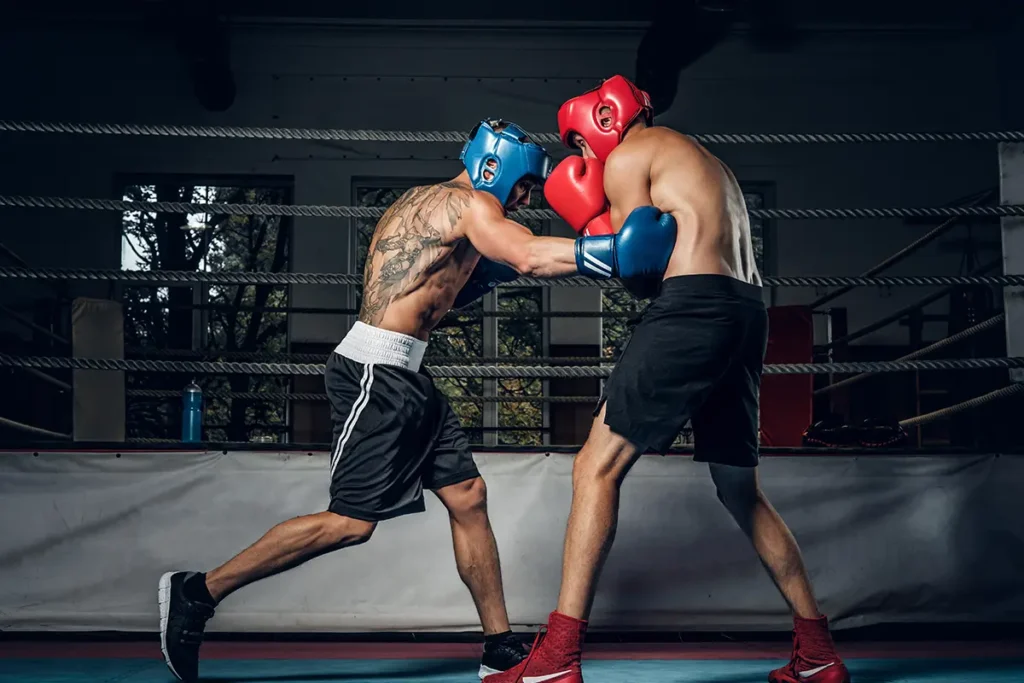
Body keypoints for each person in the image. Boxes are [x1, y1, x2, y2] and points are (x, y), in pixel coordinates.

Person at [158, 118, 678, 683]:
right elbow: (527, 256)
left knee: (468, 496)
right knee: (351, 524)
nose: (525, 199)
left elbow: (430, 291)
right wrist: (610, 252)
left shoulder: (433, 207)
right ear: (492, 167)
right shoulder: (468, 206)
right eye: (523, 186)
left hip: (409, 375)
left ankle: (498, 646)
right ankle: (198, 592)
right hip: (376, 373)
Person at [484, 77, 851, 683]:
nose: (584, 160)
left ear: (603, 121)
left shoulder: (630, 156)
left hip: (694, 309)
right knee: (740, 491)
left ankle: (556, 660)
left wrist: (593, 220)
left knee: (593, 467)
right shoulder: (709, 164)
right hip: (746, 313)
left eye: (580, 146)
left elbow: (638, 268)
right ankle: (818, 653)